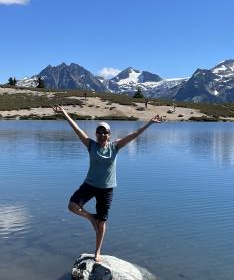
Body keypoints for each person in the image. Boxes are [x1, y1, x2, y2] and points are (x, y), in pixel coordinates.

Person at [52, 105, 163, 262]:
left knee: (102, 222)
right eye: (100, 131)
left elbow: (134, 135)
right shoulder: (91, 145)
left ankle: (97, 252)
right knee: (72, 206)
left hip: (107, 189)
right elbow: (76, 128)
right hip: (89, 185)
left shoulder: (115, 146)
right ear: (96, 134)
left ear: (109, 135)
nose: (103, 134)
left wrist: (150, 123)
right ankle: (91, 217)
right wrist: (64, 113)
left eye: (105, 132)